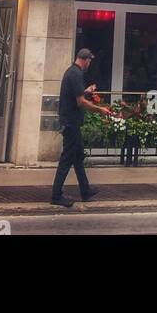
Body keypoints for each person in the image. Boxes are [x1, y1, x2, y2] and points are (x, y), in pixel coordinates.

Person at [50, 48, 115, 208]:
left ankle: (85, 191)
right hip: (71, 123)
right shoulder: (76, 74)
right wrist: (100, 110)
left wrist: (86, 91)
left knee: (78, 157)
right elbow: (80, 102)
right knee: (67, 159)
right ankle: (56, 195)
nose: (90, 63)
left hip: (71, 122)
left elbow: (77, 96)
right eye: (90, 61)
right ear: (85, 59)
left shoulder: (71, 72)